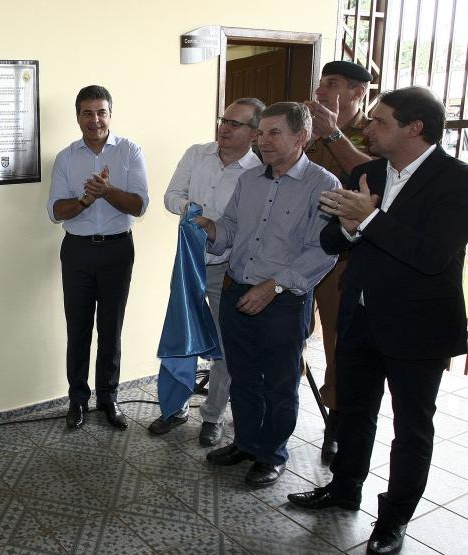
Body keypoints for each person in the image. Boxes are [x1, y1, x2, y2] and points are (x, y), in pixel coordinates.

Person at [289, 86, 468, 555]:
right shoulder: (367, 173)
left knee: (412, 428)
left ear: (415, 128)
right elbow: (332, 241)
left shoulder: (457, 181)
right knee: (353, 410)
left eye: (379, 120)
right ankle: (344, 488)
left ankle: (393, 520)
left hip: (419, 325)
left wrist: (367, 220)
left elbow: (431, 256)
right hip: (360, 315)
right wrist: (347, 227)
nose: (366, 128)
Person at [195, 102, 337, 487]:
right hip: (237, 292)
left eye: (274, 133)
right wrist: (210, 227)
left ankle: (271, 454)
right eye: (261, 133)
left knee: (278, 381)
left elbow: (323, 250)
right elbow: (231, 229)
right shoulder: (251, 180)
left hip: (283, 300)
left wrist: (273, 286)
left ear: (301, 137)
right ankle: (246, 442)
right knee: (242, 376)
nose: (263, 141)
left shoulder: (323, 185)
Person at [160, 97, 264, 445]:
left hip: (228, 270)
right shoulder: (196, 154)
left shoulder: (257, 172)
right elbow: (171, 195)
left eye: (235, 124)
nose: (225, 127)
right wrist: (188, 208)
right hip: (189, 261)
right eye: (224, 120)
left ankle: (213, 416)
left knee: (224, 346)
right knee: (181, 333)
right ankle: (175, 408)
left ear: (254, 133)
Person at [47, 85, 149, 430]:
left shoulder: (130, 151)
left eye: (101, 111)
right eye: (87, 113)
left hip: (119, 249)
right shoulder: (66, 158)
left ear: (110, 114)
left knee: (110, 329)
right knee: (77, 329)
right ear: (78, 117)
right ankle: (77, 400)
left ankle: (108, 398)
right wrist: (86, 201)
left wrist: (107, 191)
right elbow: (56, 211)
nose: (95, 120)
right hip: (77, 251)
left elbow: (139, 205)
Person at [303, 60, 375, 463]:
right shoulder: (310, 134)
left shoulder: (369, 135)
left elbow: (372, 177)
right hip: (299, 250)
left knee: (337, 343)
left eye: (331, 85)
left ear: (357, 93)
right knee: (283, 332)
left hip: (340, 258)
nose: (321, 91)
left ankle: (336, 423)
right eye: (321, 84)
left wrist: (331, 133)